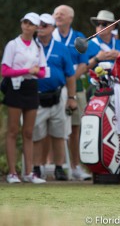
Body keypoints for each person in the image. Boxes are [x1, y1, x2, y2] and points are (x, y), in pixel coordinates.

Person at [1, 12, 46, 184]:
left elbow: (42, 72)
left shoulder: (38, 47)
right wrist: (27, 70)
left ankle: (29, 172)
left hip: (31, 88)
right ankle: (12, 173)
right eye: (25, 22)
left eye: (31, 23)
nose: (27, 25)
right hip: (15, 87)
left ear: (36, 28)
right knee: (13, 131)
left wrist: (34, 72)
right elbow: (4, 71)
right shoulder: (13, 44)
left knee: (28, 132)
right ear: (22, 24)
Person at [32, 13, 77, 181]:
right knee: (37, 134)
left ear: (52, 28)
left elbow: (70, 75)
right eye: (39, 25)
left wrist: (71, 97)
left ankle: (59, 167)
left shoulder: (61, 48)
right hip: (36, 97)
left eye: (44, 25)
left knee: (59, 134)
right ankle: (36, 167)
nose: (40, 28)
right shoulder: (31, 46)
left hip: (58, 96)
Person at [52, 5, 91, 180]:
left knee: (75, 128)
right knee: (51, 128)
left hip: (76, 88)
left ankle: (75, 166)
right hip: (53, 88)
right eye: (56, 14)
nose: (58, 16)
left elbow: (84, 64)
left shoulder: (79, 37)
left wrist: (69, 78)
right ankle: (53, 166)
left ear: (70, 18)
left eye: (62, 14)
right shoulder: (49, 35)